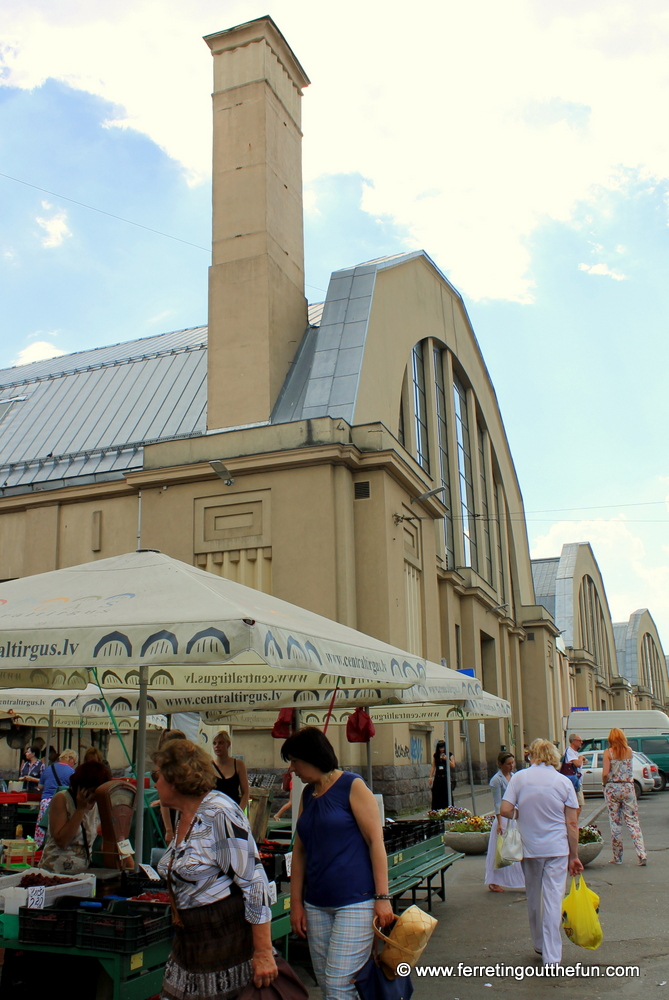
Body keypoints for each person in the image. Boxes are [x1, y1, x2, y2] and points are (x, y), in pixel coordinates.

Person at [154, 739, 276, 1000]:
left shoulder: (218, 811)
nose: (155, 783)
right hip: (190, 945)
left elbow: (254, 882)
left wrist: (263, 952)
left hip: (224, 942)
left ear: (176, 779)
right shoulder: (184, 813)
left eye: (159, 776)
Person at [282, 727, 394, 1000]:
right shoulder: (308, 795)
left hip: (355, 902)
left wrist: (382, 897)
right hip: (316, 904)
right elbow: (300, 850)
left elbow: (375, 842)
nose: (292, 769)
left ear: (311, 757)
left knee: (338, 986)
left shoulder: (352, 786)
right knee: (328, 983)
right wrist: (296, 903)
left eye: (295, 761)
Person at [500, 738, 583, 966]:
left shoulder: (519, 778)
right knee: (553, 899)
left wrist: (521, 814)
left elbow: (505, 809)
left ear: (532, 755)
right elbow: (572, 824)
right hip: (557, 848)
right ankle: (552, 956)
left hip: (530, 848)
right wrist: (574, 856)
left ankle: (538, 943)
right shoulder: (563, 782)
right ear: (554, 756)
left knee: (534, 898)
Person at [41, 761, 111, 874]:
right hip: (56, 870)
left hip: (82, 870)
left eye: (98, 792)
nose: (94, 796)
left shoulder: (97, 804)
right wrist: (80, 809)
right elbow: (62, 841)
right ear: (80, 787)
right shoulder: (62, 799)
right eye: (92, 791)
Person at [602, 727, 647, 866]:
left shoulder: (608, 752)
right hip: (628, 787)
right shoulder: (629, 751)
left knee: (615, 822)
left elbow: (605, 773)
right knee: (633, 822)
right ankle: (641, 853)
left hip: (613, 788)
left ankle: (617, 857)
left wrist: (605, 784)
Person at [485, 752, 525, 893]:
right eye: (508, 764)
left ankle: (521, 880)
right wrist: (500, 823)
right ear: (500, 765)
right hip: (503, 818)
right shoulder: (496, 780)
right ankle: (494, 881)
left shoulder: (514, 777)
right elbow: (497, 803)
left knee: (515, 850)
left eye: (513, 763)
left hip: (513, 816)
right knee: (500, 852)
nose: (511, 766)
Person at [35, 748, 78, 848]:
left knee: (42, 829)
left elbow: (40, 787)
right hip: (62, 803)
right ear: (71, 759)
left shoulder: (48, 769)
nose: (74, 764)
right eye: (74, 762)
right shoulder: (72, 772)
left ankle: (39, 848)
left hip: (45, 802)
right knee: (58, 829)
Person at [212, 730, 250, 810]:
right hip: (214, 811)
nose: (217, 746)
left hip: (233, 809)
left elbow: (245, 792)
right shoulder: (209, 766)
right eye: (214, 743)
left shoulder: (239, 765)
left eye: (220, 743)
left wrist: (239, 811)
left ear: (228, 744)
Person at [562, 733, 585, 815]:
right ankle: (573, 825)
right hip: (573, 781)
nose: (581, 742)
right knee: (576, 806)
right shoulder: (570, 752)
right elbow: (578, 764)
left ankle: (574, 824)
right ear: (573, 741)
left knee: (578, 806)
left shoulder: (574, 752)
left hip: (576, 781)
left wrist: (581, 759)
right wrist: (581, 758)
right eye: (579, 741)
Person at [428, 739, 450, 810]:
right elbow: (433, 766)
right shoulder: (436, 756)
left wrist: (446, 759)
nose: (442, 749)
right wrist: (430, 777)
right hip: (438, 777)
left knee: (446, 794)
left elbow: (453, 765)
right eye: (440, 748)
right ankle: (437, 810)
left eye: (443, 748)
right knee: (437, 794)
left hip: (445, 777)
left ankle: (447, 809)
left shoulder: (449, 754)